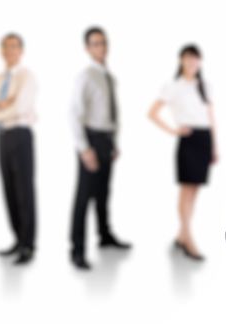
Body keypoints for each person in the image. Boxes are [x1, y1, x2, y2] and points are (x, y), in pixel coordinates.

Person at [69, 26, 132, 270]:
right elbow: (74, 114)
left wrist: (113, 143)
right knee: (83, 197)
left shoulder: (108, 76)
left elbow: (108, 113)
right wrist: (85, 149)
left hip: (105, 140)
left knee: (104, 192)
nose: (101, 47)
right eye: (95, 43)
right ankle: (77, 250)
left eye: (103, 43)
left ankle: (105, 236)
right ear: (87, 48)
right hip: (91, 139)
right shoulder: (85, 76)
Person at [148, 44, 218, 261]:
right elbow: (152, 113)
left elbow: (210, 116)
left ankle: (181, 236)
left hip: (204, 139)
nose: (192, 63)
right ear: (181, 60)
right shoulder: (173, 86)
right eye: (188, 59)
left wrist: (214, 146)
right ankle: (188, 240)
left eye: (196, 59)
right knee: (186, 192)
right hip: (188, 139)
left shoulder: (204, 85)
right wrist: (174, 130)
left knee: (194, 192)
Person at [0, 33, 37, 265]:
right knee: (9, 190)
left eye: (14, 47)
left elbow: (20, 107)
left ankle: (28, 245)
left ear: (21, 51)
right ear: (1, 51)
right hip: (1, 136)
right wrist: (0, 105)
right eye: (5, 47)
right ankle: (17, 239)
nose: (9, 51)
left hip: (20, 135)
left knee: (24, 191)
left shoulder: (27, 77)